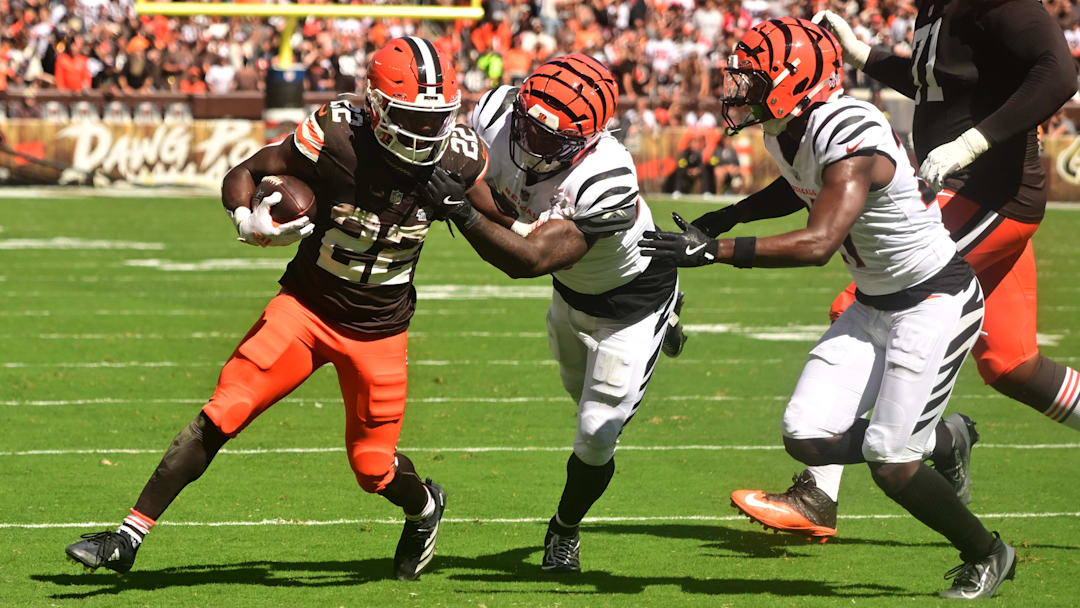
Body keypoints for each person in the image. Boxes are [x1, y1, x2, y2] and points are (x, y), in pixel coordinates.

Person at [64, 36, 489, 582]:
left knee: (372, 468)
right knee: (224, 409)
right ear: (378, 106)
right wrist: (248, 220)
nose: (428, 132)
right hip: (307, 309)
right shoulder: (336, 134)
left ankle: (424, 507)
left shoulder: (459, 155)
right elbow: (244, 170)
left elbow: (507, 227)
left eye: (436, 119)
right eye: (414, 118)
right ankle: (127, 536)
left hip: (380, 331)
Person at [641, 18, 1015, 599]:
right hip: (873, 301)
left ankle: (988, 552)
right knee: (807, 435)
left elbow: (818, 242)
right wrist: (727, 216)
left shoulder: (849, 128)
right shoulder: (787, 130)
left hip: (933, 300)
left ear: (795, 81)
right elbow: (800, 183)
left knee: (892, 461)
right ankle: (945, 441)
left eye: (753, 77)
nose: (739, 87)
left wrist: (713, 250)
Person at [729, 0, 1080, 545]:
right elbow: (938, 85)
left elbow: (1059, 73)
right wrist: (864, 55)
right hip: (970, 187)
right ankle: (946, 442)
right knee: (1012, 365)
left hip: (988, 192)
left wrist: (973, 143)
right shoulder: (937, 7)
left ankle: (818, 495)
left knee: (860, 299)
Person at [419, 53, 685, 573]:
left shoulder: (608, 177)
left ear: (588, 140)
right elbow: (488, 190)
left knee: (597, 431)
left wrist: (461, 211)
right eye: (528, 127)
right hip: (572, 292)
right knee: (574, 391)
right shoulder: (497, 111)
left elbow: (533, 259)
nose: (530, 144)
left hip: (630, 300)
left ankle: (564, 528)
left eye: (551, 140)